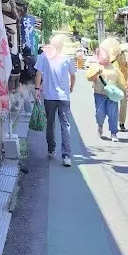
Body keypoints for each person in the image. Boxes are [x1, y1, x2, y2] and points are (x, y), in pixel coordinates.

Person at [34, 35, 75, 167]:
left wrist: (36, 89)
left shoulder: (43, 57)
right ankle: (67, 156)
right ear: (62, 46)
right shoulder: (67, 59)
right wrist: (71, 87)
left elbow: (38, 74)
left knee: (50, 124)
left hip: (49, 97)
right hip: (64, 97)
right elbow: (73, 75)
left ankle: (51, 150)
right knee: (65, 125)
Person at [86, 38, 126, 142]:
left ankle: (114, 133)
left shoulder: (113, 67)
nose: (104, 57)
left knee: (113, 113)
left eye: (105, 55)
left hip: (112, 95)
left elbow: (120, 81)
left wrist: (125, 92)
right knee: (100, 113)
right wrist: (96, 73)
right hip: (99, 94)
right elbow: (89, 78)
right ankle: (100, 125)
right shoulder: (95, 66)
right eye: (101, 55)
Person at [116, 46, 128, 131]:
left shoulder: (126, 56)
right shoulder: (113, 57)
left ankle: (121, 122)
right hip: (116, 81)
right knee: (116, 103)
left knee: (123, 103)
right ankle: (117, 122)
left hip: (123, 82)